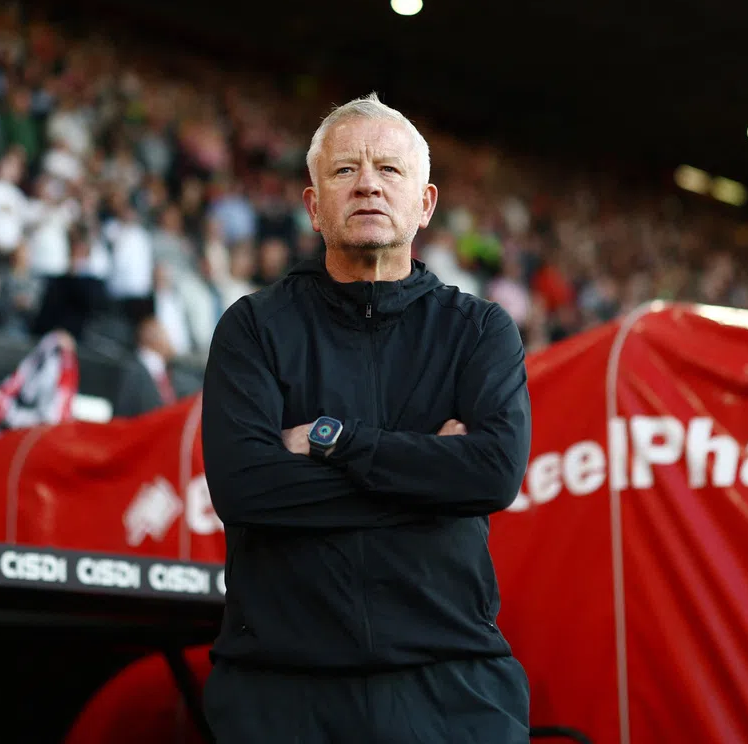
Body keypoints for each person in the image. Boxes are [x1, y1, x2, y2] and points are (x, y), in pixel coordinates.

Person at [200, 93, 533, 744]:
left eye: (389, 169)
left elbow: (493, 473)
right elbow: (245, 488)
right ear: (313, 204)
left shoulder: (479, 330)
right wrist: (433, 484)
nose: (368, 185)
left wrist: (336, 440)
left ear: (425, 204)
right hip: (281, 694)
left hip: (453, 687)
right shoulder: (253, 328)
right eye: (345, 169)